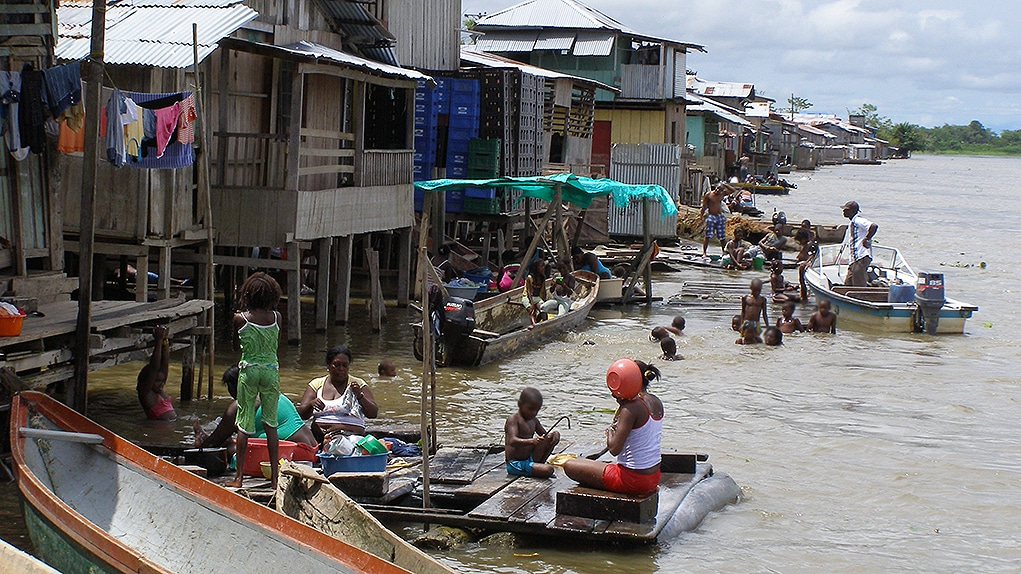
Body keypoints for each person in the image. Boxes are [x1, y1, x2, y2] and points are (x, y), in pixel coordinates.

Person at [563, 360, 663, 495]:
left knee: (570, 466)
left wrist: (611, 429)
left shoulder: (631, 408)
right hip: (653, 477)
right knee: (596, 465)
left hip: (632, 481)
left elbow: (614, 449)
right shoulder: (656, 401)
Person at [228, 272, 284, 489]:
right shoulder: (277, 318)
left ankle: (239, 477)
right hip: (271, 371)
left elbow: (235, 346)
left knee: (244, 424)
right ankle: (274, 479)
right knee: (271, 425)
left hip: (249, 371)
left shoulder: (240, 318)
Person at [194, 367, 317, 461]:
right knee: (235, 441)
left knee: (231, 449)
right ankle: (204, 437)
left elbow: (213, 443)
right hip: (312, 450)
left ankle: (203, 438)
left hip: (295, 454)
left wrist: (199, 448)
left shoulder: (239, 406)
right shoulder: (273, 393)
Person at [298, 345, 379, 443]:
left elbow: (373, 413)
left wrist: (360, 396)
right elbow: (302, 414)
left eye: (345, 365)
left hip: (351, 437)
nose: (341, 369)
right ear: (328, 365)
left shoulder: (358, 384)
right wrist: (311, 404)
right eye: (336, 365)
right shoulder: (316, 384)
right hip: (321, 437)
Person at [504, 388, 561, 478]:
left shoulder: (534, 420)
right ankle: (539, 469)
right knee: (549, 470)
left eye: (536, 410)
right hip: (515, 464)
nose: (533, 413)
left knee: (551, 439)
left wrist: (555, 434)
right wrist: (531, 441)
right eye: (530, 409)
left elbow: (545, 435)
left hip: (530, 458)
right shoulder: (514, 419)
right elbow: (512, 441)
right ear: (520, 404)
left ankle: (539, 466)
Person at [137, 325, 176, 421]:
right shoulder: (145, 392)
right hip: (158, 430)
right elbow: (154, 367)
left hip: (169, 426)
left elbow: (165, 363)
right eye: (158, 381)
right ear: (149, 380)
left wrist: (165, 340)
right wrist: (158, 341)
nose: (162, 384)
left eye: (162, 381)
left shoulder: (158, 389)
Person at [841, 201, 878, 287]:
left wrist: (866, 239)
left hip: (861, 257)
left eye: (846, 210)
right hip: (854, 259)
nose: (844, 212)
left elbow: (873, 226)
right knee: (848, 283)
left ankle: (862, 298)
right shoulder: (852, 222)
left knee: (859, 285)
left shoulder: (858, 220)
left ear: (852, 211)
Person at [521, 259, 558, 326]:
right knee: (532, 311)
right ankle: (534, 325)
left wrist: (544, 301)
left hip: (537, 297)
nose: (543, 268)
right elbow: (528, 292)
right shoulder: (529, 277)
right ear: (536, 268)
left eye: (543, 266)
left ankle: (540, 324)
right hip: (527, 297)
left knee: (543, 311)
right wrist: (532, 304)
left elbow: (543, 291)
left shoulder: (542, 277)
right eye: (541, 266)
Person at [700, 184, 728, 258]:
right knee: (708, 235)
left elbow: (733, 190)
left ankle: (724, 252)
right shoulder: (708, 195)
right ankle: (704, 253)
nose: (717, 190)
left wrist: (725, 184)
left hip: (720, 216)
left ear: (722, 191)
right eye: (717, 188)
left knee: (722, 236)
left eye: (719, 190)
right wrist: (701, 218)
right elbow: (703, 207)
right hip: (711, 216)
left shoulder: (722, 194)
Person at [794, 228, 818, 302]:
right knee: (801, 282)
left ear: (803, 239)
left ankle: (804, 298)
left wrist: (807, 262)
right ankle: (803, 296)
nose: (800, 243)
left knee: (802, 282)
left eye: (800, 241)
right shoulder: (807, 245)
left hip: (807, 267)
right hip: (803, 266)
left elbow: (813, 255)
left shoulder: (811, 245)